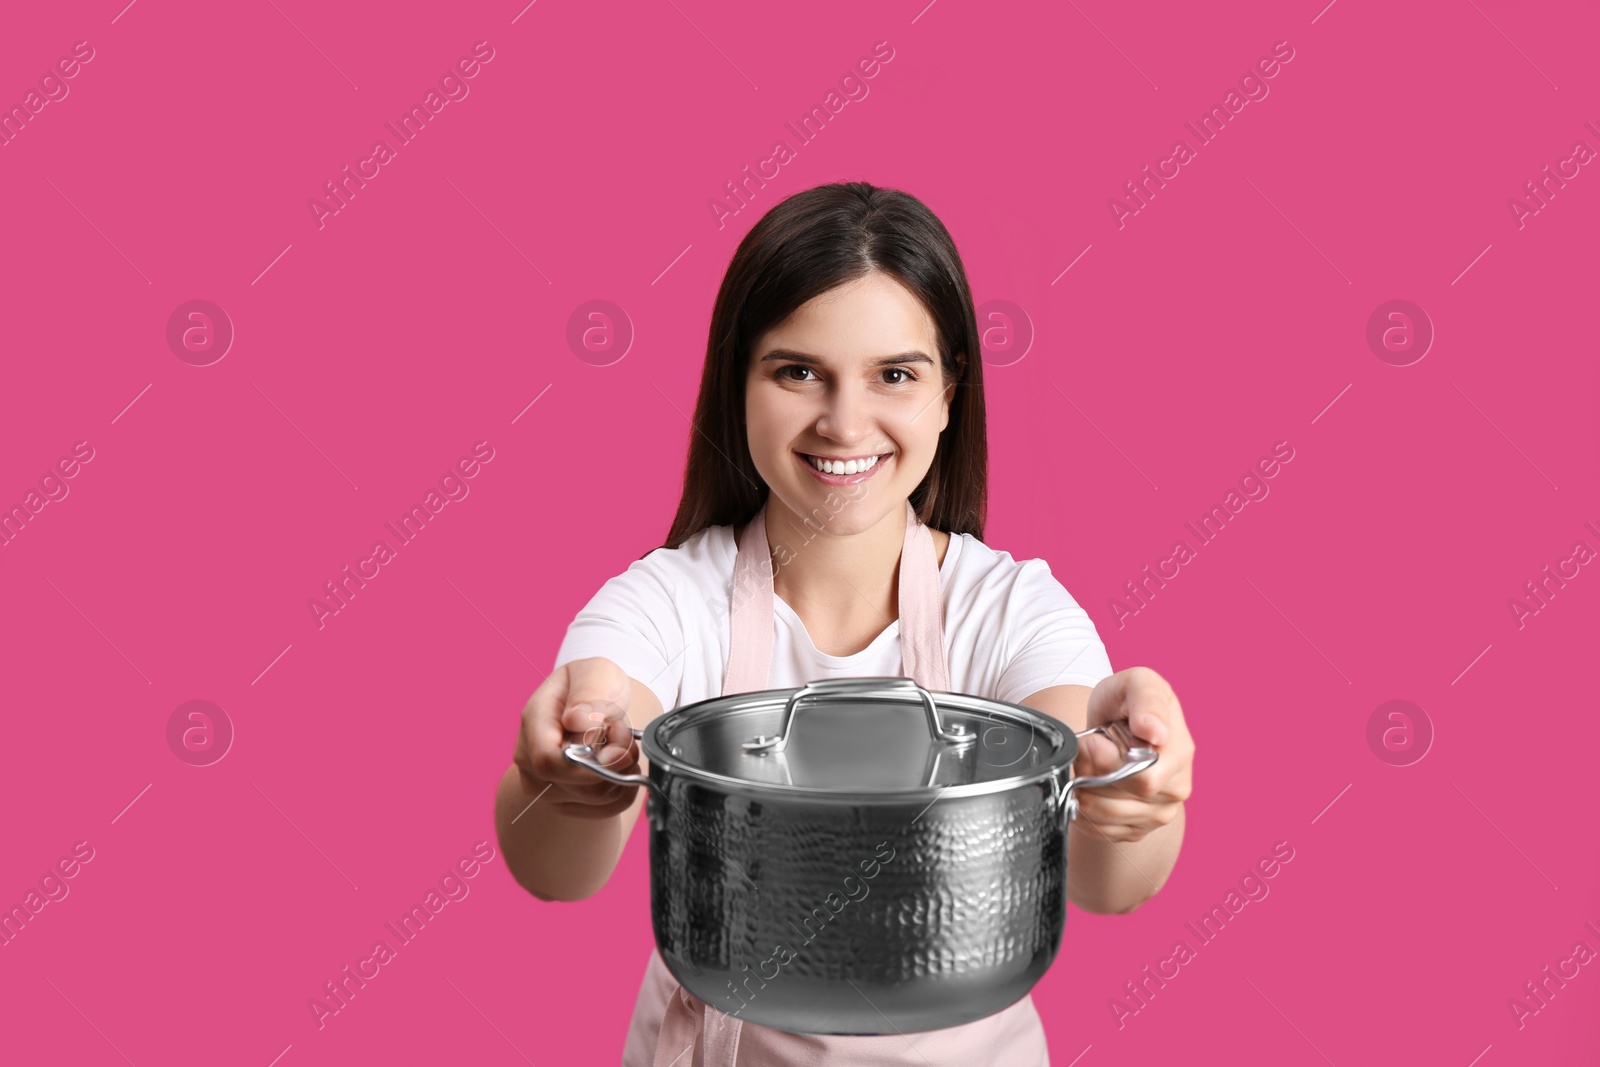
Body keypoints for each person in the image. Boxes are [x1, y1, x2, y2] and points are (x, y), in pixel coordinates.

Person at [494, 181, 1195, 1066]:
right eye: (797, 371)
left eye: (895, 375)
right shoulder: (666, 601)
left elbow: (1103, 877)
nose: (844, 422)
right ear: (737, 383)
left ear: (949, 394)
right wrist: (568, 769)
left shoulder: (1012, 610)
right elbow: (557, 869)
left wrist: (1133, 799)